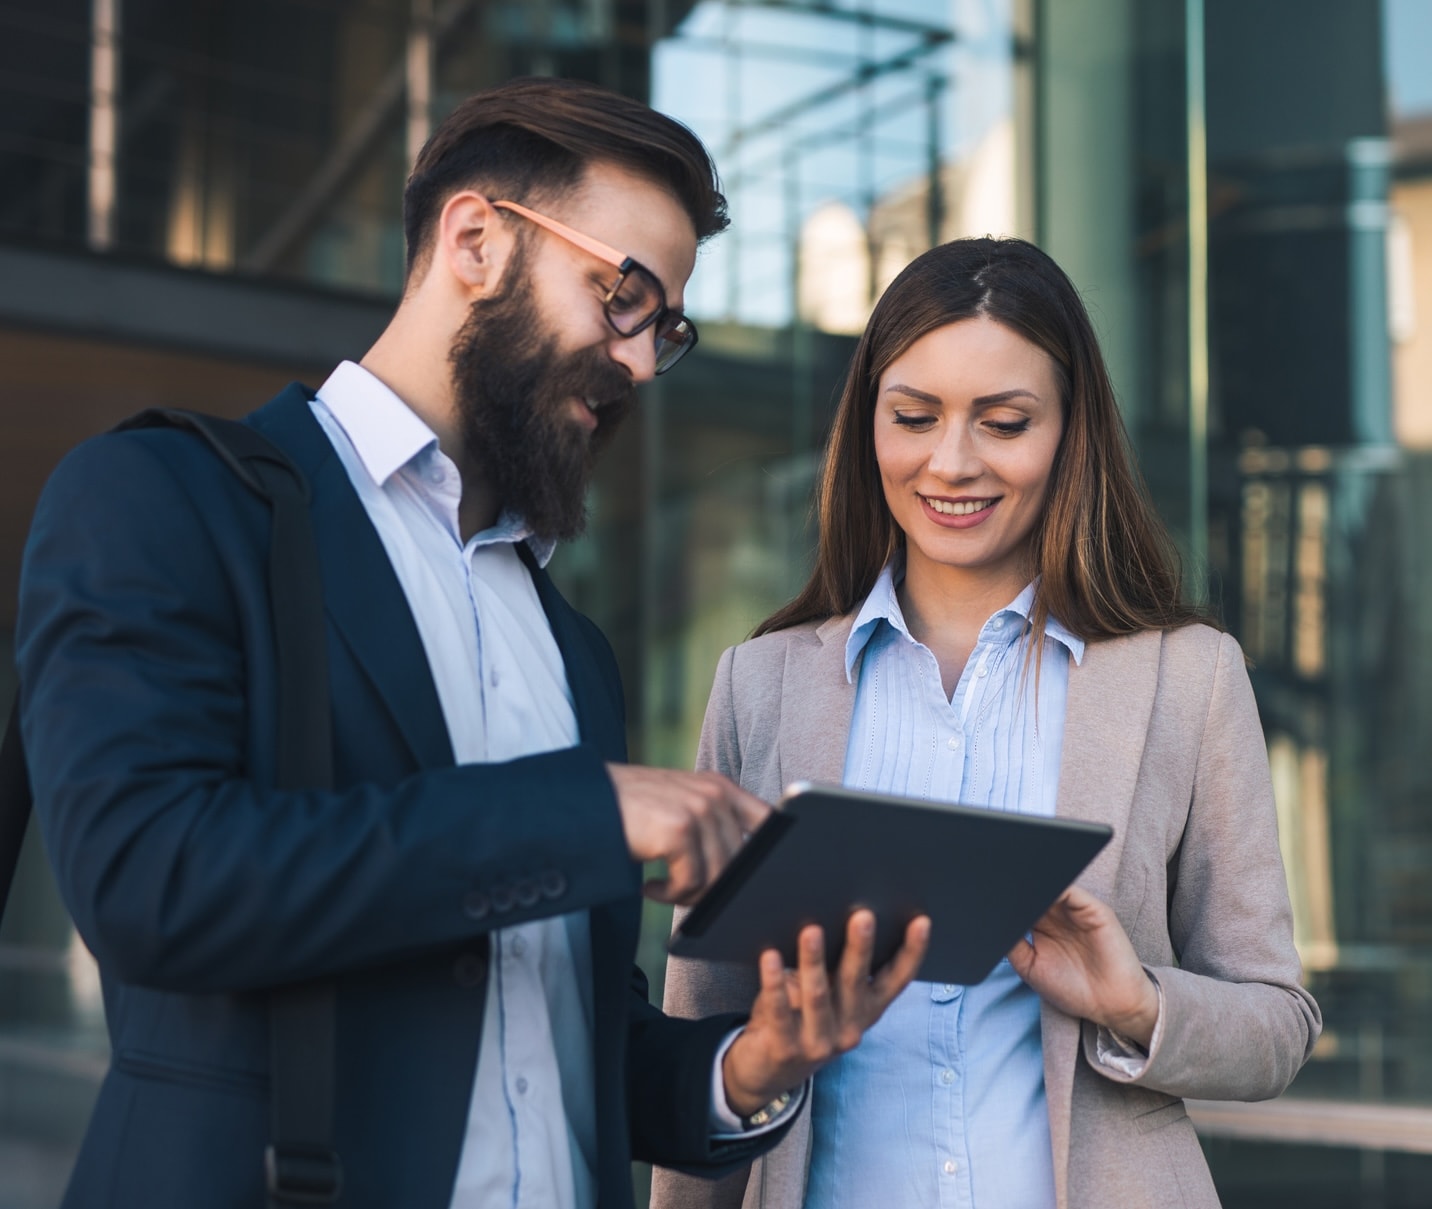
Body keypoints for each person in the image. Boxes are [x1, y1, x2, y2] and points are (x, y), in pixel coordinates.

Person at [14, 78, 927, 1209]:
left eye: (667, 329)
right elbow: (150, 882)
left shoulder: (571, 648)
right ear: (476, 241)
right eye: (624, 297)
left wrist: (752, 1066)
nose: (642, 362)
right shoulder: (164, 499)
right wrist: (586, 813)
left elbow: (563, 1033)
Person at [654, 237, 1322, 1209]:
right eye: (913, 417)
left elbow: (1278, 1023)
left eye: (1004, 422)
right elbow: (701, 1039)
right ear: (868, 421)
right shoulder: (761, 686)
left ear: (1070, 432)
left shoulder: (1186, 677)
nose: (952, 462)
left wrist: (1137, 1003)